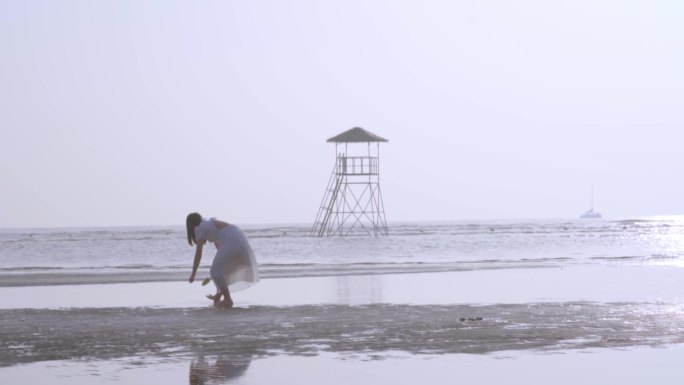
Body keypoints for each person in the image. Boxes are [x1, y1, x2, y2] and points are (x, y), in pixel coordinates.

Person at [186, 213, 259, 307]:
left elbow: (198, 253)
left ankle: (228, 300)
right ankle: (219, 296)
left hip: (232, 239)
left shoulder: (199, 228)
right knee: (219, 271)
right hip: (236, 235)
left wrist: (193, 273)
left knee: (215, 271)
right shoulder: (207, 224)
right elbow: (218, 245)